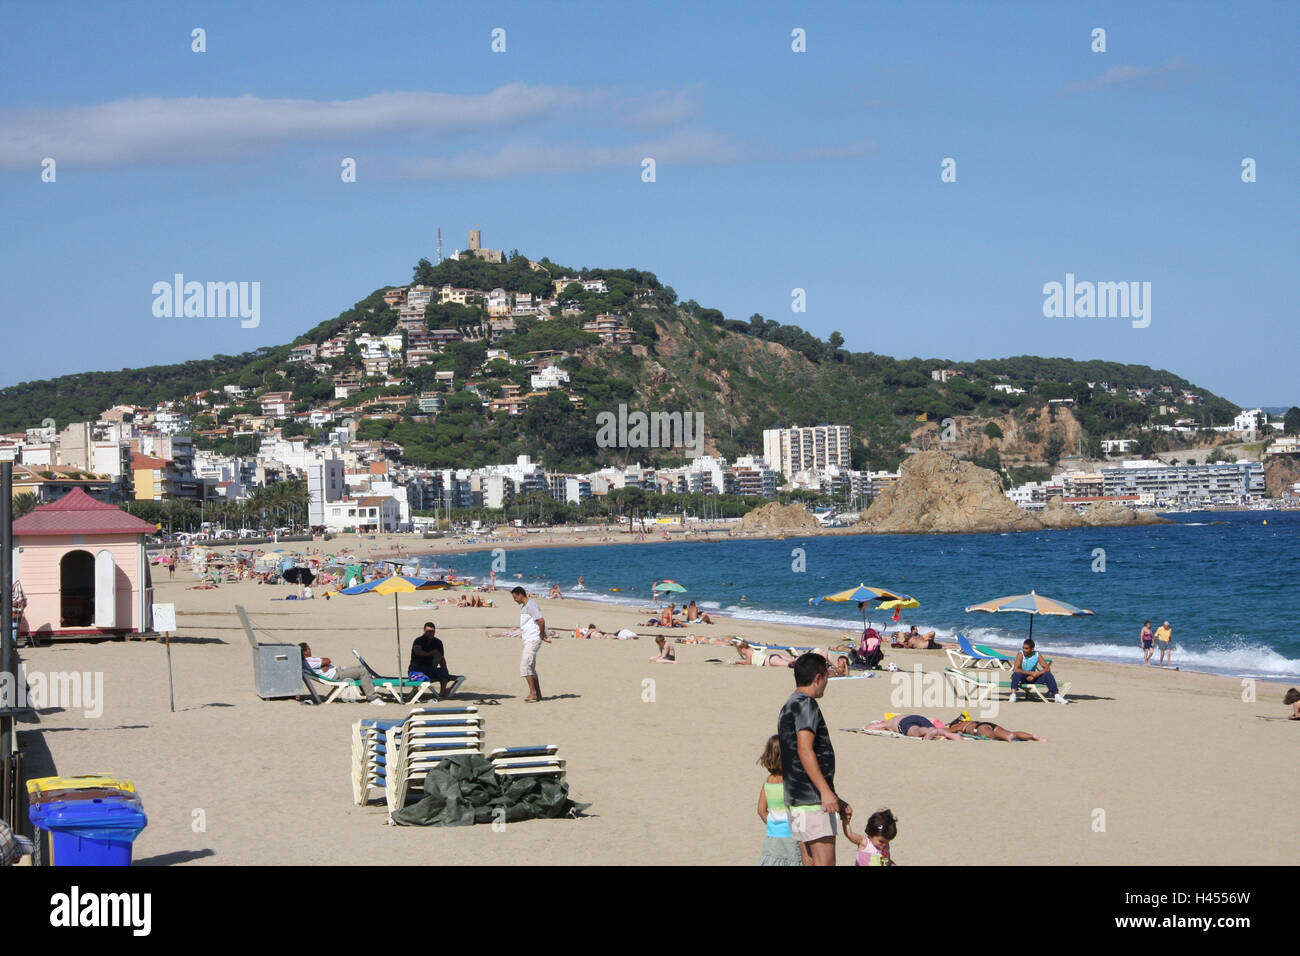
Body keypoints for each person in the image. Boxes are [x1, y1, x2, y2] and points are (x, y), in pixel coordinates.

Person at [777, 653, 849, 866]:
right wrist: (825, 792)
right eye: (827, 677)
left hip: (796, 798)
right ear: (818, 677)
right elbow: (804, 750)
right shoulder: (806, 704)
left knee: (809, 861)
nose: (827, 683)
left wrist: (834, 796)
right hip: (811, 800)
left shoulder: (789, 705)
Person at [755, 735, 801, 866]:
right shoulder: (791, 782)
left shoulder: (768, 782)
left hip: (773, 836)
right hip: (792, 835)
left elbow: (761, 810)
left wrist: (773, 823)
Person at [300, 642, 382, 704]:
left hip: (336, 672)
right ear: (305, 652)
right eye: (308, 648)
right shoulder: (308, 661)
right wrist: (325, 663)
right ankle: (373, 698)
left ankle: (366, 690)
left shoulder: (306, 662)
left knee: (361, 668)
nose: (310, 649)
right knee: (362, 671)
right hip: (336, 675)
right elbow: (327, 660)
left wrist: (325, 665)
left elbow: (325, 662)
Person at [512, 586, 549, 703]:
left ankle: (532, 693)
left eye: (514, 597)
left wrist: (542, 635)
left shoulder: (531, 605)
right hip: (529, 639)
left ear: (519, 594)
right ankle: (538, 694)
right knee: (531, 667)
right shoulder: (525, 607)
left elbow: (541, 620)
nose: (514, 600)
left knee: (525, 665)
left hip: (533, 639)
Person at [1010, 638, 1069, 704]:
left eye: (1026, 648)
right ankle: (1013, 695)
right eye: (1023, 648)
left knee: (1048, 674)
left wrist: (1037, 674)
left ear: (1032, 649)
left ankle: (1056, 696)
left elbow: (1047, 668)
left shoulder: (1037, 655)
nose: (1024, 650)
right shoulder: (1020, 654)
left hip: (1033, 678)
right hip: (1022, 677)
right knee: (1016, 674)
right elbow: (1016, 669)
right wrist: (1031, 673)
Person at [408, 622, 458, 698]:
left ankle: (442, 692)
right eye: (428, 631)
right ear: (424, 631)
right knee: (414, 667)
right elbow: (418, 652)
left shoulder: (438, 642)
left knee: (443, 671)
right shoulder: (419, 640)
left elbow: (441, 658)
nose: (430, 633)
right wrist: (430, 653)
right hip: (418, 667)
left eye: (432, 631)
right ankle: (415, 689)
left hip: (430, 668)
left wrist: (444, 670)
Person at [946, 713, 1045, 741]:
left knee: (999, 736)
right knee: (1012, 733)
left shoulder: (961, 725)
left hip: (980, 729)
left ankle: (1007, 737)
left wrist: (952, 728)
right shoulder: (972, 722)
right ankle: (1033, 736)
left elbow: (947, 731)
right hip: (988, 724)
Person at [863, 714, 966, 740]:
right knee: (931, 729)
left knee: (916, 731)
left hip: (904, 723)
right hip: (919, 717)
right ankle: (947, 733)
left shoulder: (887, 723)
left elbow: (868, 728)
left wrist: (878, 725)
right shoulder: (895, 717)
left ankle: (933, 732)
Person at [732, 641, 797, 667]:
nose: (741, 653)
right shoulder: (752, 649)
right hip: (771, 657)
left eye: (740, 651)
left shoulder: (748, 652)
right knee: (794, 659)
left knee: (791, 665)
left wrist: (739, 662)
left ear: (742, 649)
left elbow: (748, 663)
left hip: (770, 661)